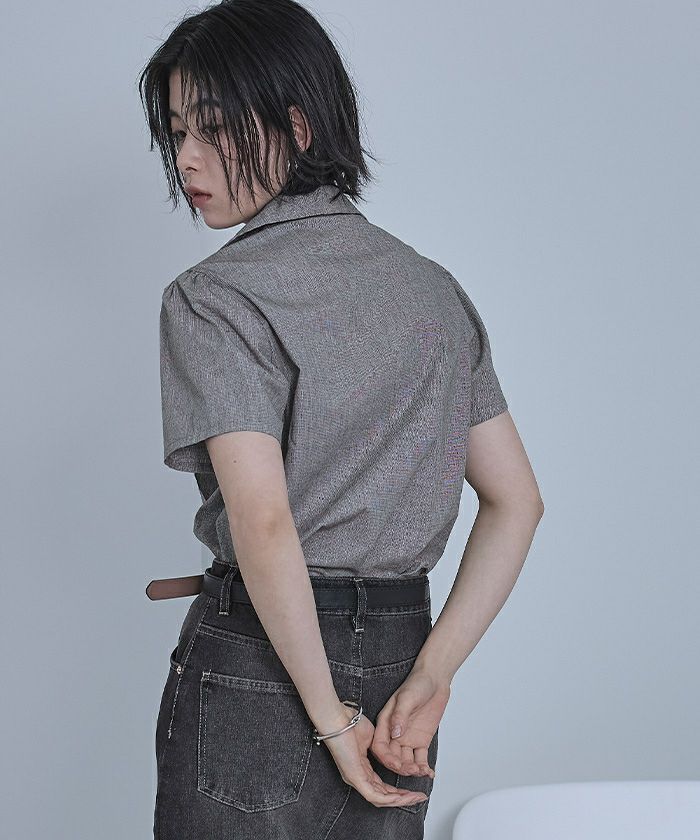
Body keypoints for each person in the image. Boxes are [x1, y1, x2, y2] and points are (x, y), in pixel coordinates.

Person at [138, 1, 544, 838]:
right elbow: (518, 501)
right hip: (400, 656)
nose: (187, 158)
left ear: (296, 126)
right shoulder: (434, 291)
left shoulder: (214, 297)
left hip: (259, 659)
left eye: (212, 128)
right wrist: (432, 674)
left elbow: (263, 519)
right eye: (176, 132)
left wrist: (328, 720)